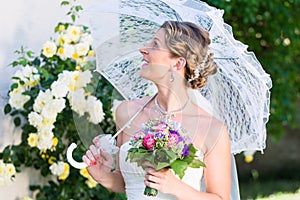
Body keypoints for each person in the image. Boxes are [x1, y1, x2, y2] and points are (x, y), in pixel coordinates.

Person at [82, 21, 232, 200]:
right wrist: (103, 176)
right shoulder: (127, 114)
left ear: (177, 63)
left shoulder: (212, 129)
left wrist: (177, 188)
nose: (143, 49)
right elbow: (125, 183)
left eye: (155, 44)